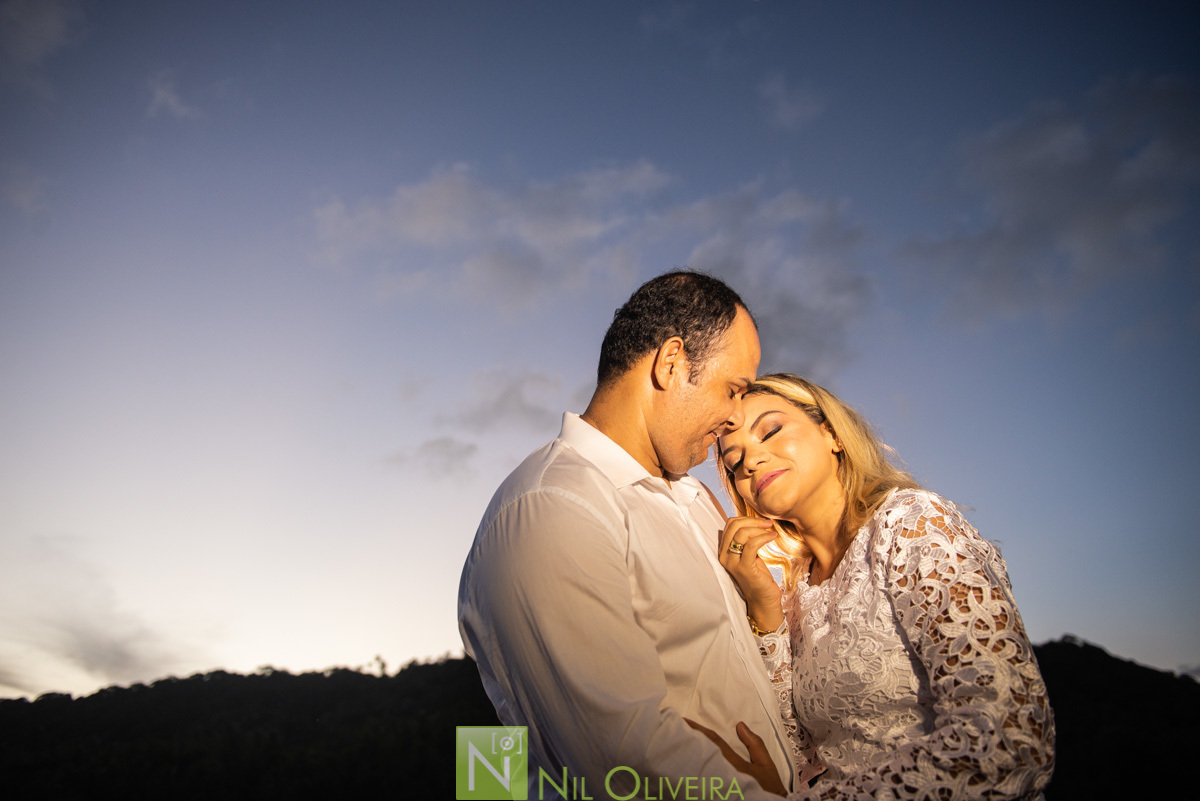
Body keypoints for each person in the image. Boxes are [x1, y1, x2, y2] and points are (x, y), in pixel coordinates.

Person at [458, 271, 796, 800]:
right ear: (671, 363)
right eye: (734, 390)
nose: (735, 417)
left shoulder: (696, 502)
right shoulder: (551, 507)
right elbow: (618, 752)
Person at [701, 374, 1055, 800]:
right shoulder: (797, 589)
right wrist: (766, 612)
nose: (752, 462)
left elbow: (1010, 740)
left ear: (831, 433)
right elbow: (801, 755)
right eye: (735, 462)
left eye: (771, 431)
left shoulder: (913, 524)